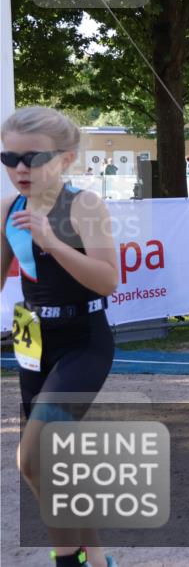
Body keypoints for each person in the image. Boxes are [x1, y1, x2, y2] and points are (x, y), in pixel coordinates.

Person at [1, 107, 120, 567]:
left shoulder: (84, 205)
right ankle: (87, 558)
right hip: (30, 337)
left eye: (32, 158)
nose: (19, 169)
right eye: (8, 158)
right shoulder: (7, 208)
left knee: (33, 455)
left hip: (83, 338)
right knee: (49, 463)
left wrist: (52, 241)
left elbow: (108, 281)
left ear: (67, 158)